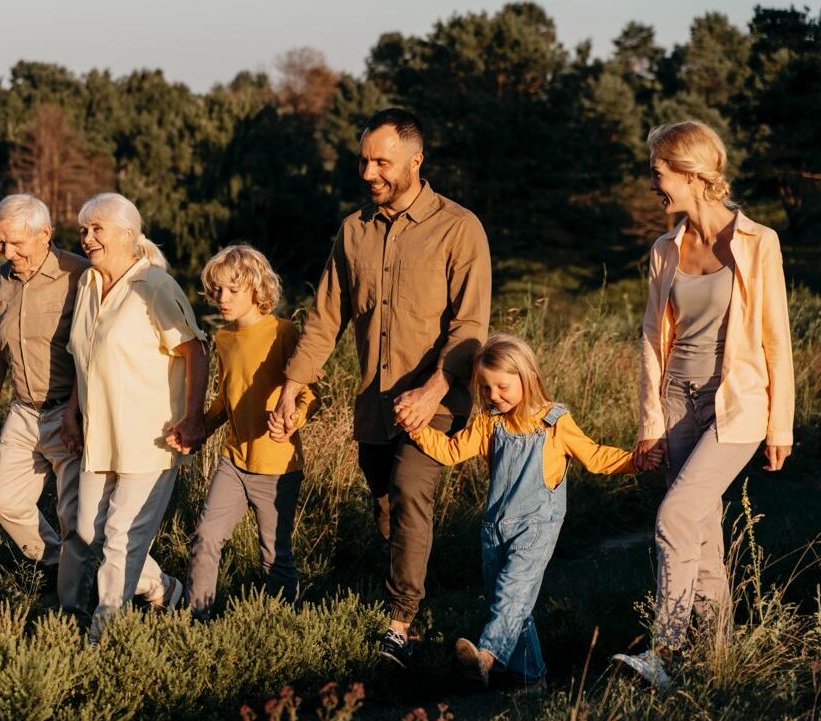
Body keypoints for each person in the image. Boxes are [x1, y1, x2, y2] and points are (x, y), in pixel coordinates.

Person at [271, 107, 491, 666]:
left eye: (382, 162)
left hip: (438, 400)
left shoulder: (458, 228)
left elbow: (470, 327)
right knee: (387, 502)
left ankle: (399, 624)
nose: (369, 172)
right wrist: (294, 383)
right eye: (364, 160)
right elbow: (325, 317)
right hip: (376, 403)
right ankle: (417, 604)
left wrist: (437, 389)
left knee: (412, 488)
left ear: (416, 161)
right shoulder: (353, 231)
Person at [612, 120, 795, 689]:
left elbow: (776, 340)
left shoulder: (757, 242)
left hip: (736, 409)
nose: (652, 186)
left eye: (658, 173)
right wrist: (650, 422)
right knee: (702, 536)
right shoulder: (664, 249)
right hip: (677, 404)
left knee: (673, 516)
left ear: (691, 175)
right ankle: (716, 665)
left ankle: (663, 651)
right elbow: (650, 338)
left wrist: (780, 424)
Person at [402, 334, 641, 692]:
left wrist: (636, 461)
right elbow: (451, 451)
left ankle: (486, 658)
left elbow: (594, 456)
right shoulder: (490, 424)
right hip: (495, 528)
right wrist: (416, 428)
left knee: (512, 595)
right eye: (486, 389)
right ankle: (532, 679)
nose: (494, 395)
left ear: (526, 377)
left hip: (537, 528)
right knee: (512, 602)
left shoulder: (554, 422)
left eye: (502, 386)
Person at [64, 192, 207, 641]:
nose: (87, 238)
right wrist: (72, 413)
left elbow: (195, 350)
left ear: (128, 233)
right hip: (98, 437)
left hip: (151, 438)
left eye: (97, 229)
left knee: (121, 539)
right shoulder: (88, 284)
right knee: (88, 532)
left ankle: (103, 637)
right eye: (84, 230)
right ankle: (166, 590)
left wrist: (194, 417)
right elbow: (84, 359)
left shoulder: (155, 286)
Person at [181, 244, 318, 620]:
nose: (221, 298)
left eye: (232, 290)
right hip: (234, 462)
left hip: (278, 467)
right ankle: (197, 620)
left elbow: (310, 392)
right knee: (206, 537)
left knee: (274, 554)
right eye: (217, 290)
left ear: (256, 290)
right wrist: (197, 432)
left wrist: (294, 418)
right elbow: (225, 403)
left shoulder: (284, 333)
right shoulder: (223, 340)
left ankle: (282, 623)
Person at [0, 194, 89, 611]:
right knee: (1, 501)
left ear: (45, 235)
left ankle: (72, 609)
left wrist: (76, 412)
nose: (7, 252)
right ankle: (59, 563)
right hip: (23, 411)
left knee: (75, 516)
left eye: (16, 243)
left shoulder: (81, 277)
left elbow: (90, 352)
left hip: (69, 411)